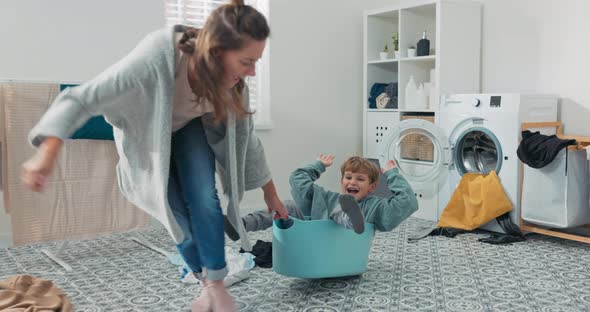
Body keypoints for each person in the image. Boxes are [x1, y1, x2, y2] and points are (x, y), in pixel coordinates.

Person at [20, 1, 287, 311]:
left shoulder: (233, 84)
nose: (252, 72)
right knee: (174, 212)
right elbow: (83, 97)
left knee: (203, 196)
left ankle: (215, 286)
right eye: (246, 61)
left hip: (189, 129)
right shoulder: (158, 55)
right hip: (149, 135)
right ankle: (204, 281)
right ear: (215, 51)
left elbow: (247, 140)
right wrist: (46, 155)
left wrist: (272, 195)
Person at [224, 154, 418, 240]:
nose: (352, 182)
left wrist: (392, 175)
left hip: (343, 251)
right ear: (342, 180)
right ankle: (240, 226)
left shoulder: (377, 206)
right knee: (288, 206)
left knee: (339, 211)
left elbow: (407, 202)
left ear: (372, 187)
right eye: (348, 177)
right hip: (315, 244)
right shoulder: (327, 197)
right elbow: (297, 179)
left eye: (360, 179)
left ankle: (350, 218)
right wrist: (319, 165)